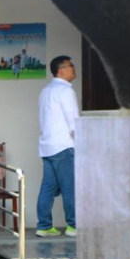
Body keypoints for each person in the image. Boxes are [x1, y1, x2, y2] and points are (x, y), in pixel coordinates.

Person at [36, 55, 79, 237]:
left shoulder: (45, 91)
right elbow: (73, 120)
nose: (74, 68)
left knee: (47, 188)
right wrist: (81, 142)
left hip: (47, 147)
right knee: (70, 188)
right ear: (61, 71)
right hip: (63, 146)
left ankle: (44, 226)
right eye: (71, 65)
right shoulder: (65, 91)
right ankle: (73, 226)